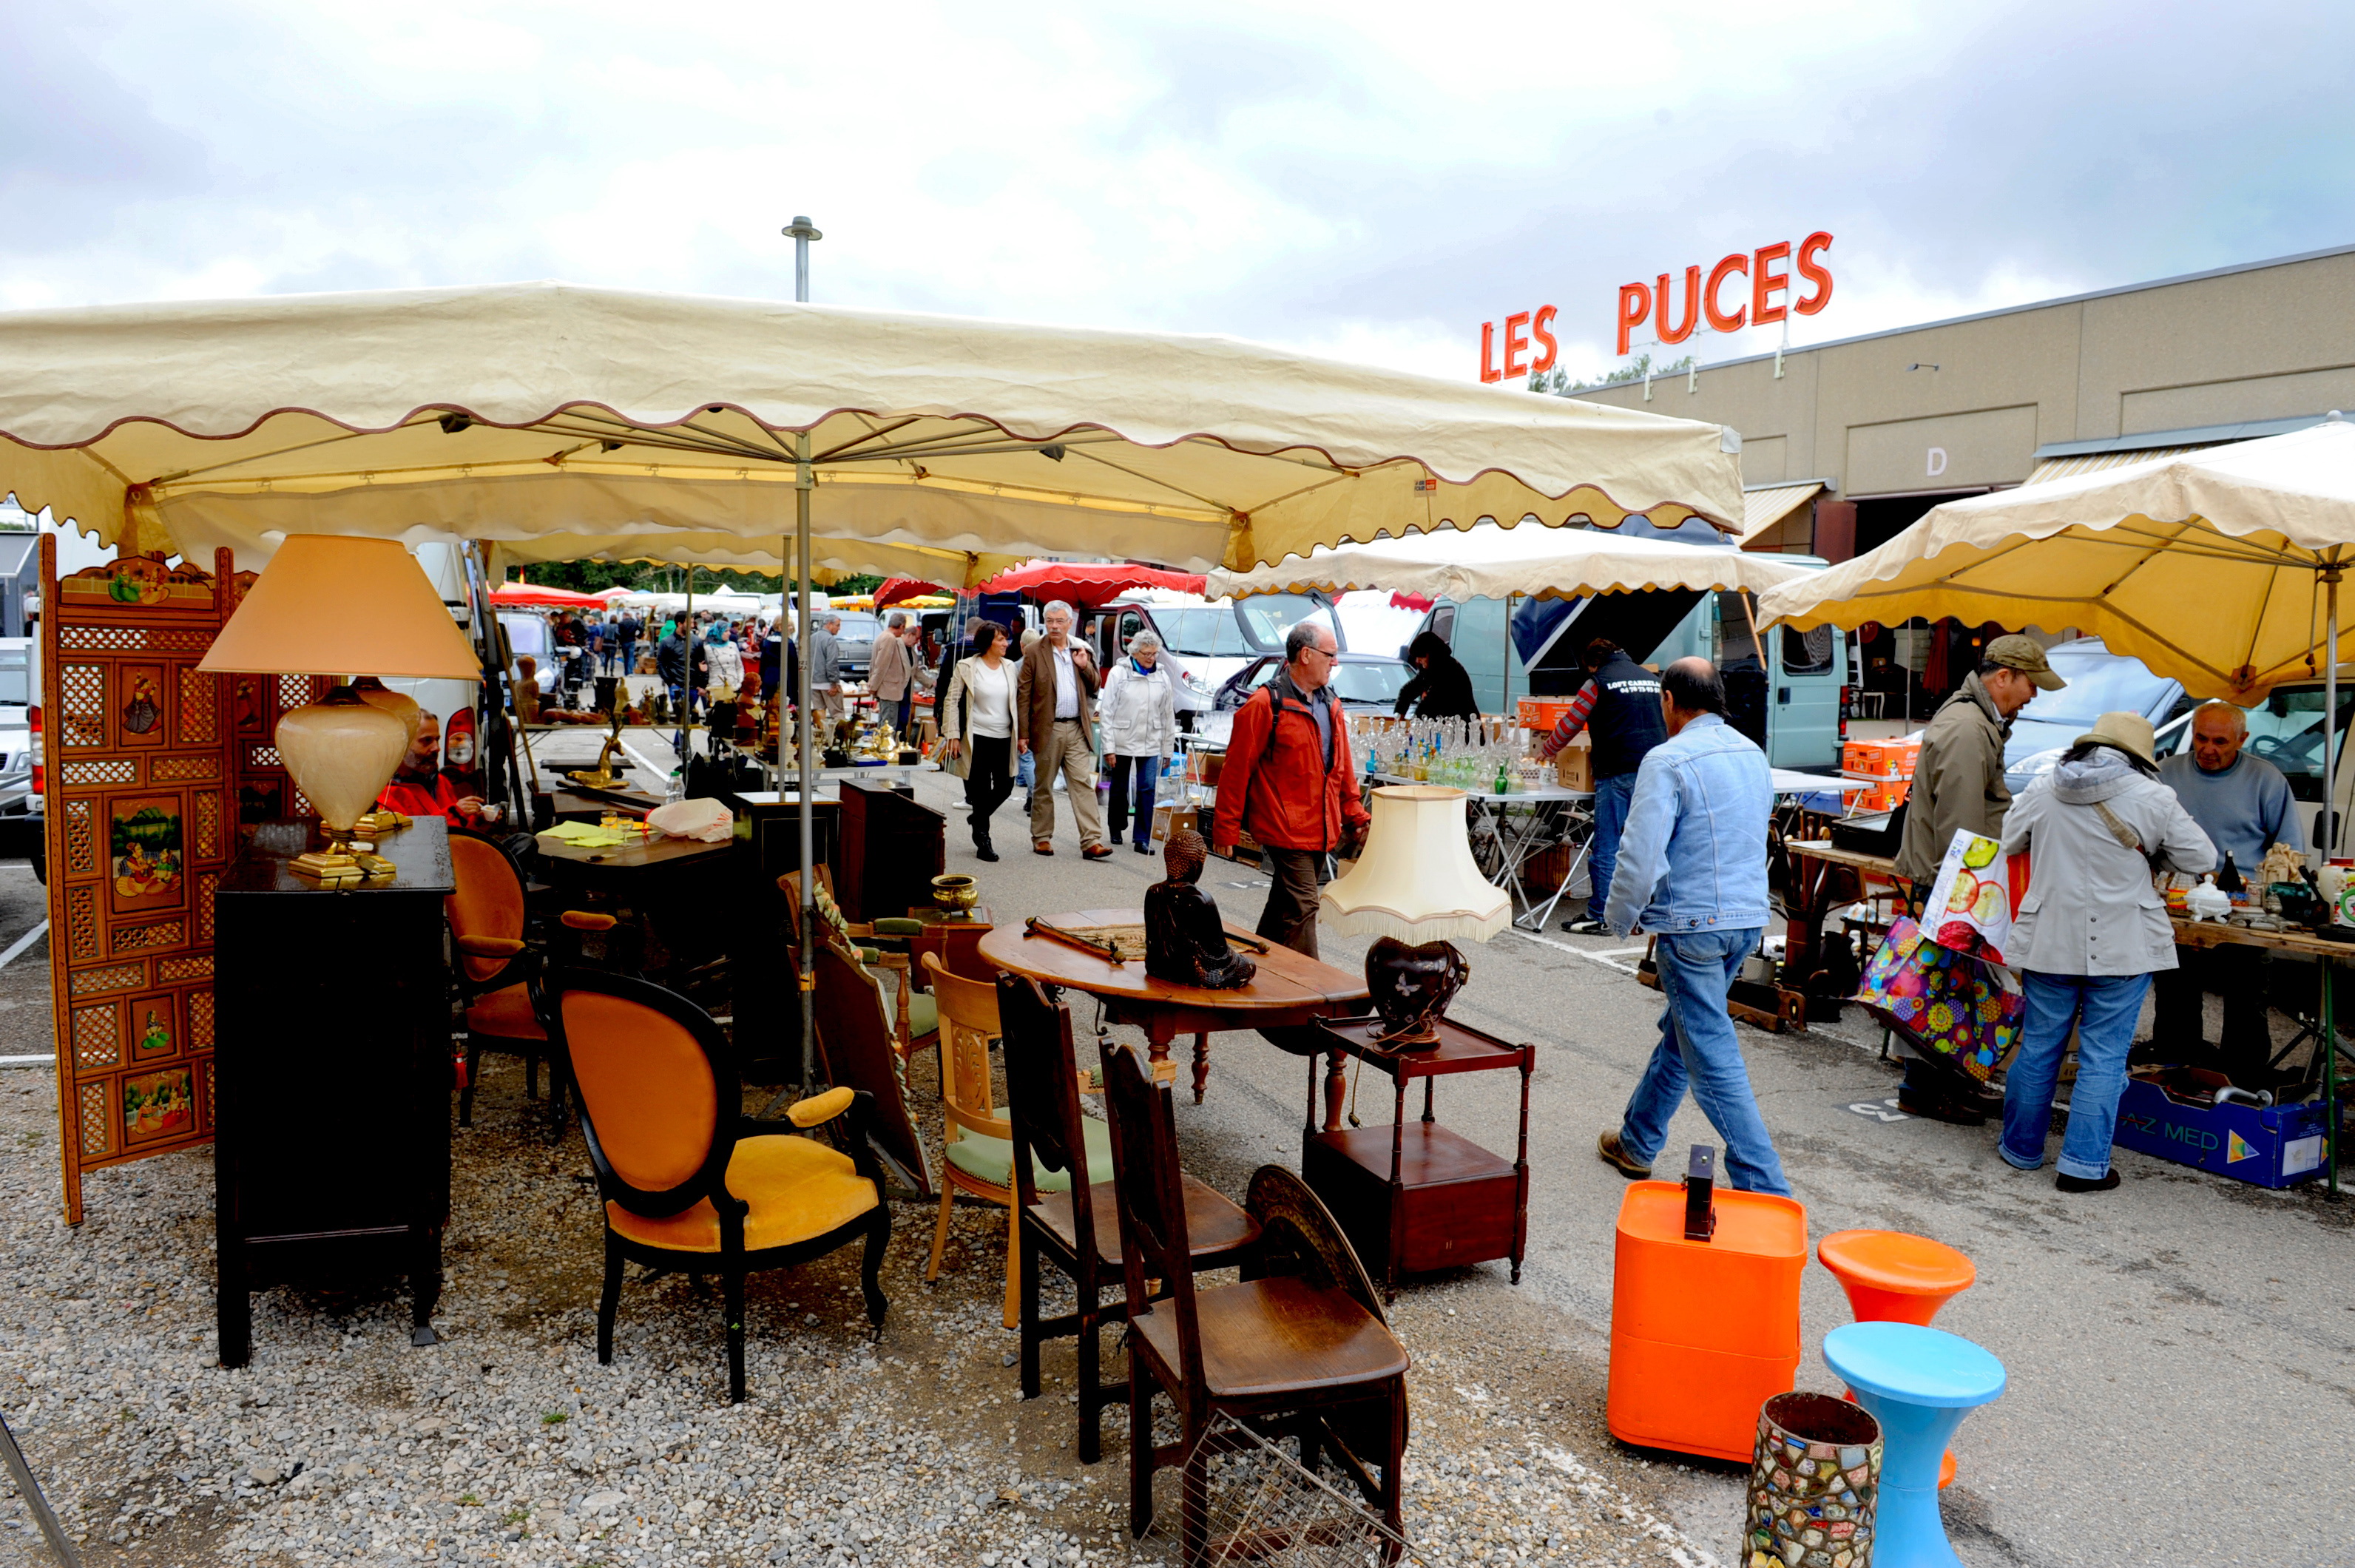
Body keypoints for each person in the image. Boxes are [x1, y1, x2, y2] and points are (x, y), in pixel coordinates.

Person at [1595, 658, 1790, 1195]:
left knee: (1710, 1052)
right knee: (1686, 1034)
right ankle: (1637, 1140)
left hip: (1694, 925)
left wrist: (1621, 915)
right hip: (1746, 919)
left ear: (1670, 702)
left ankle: (1765, 1187)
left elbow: (1639, 851)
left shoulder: (1667, 758)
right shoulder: (1751, 752)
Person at [2000, 713, 2216, 1193]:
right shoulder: (2154, 796)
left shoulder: (2042, 786)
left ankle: (2021, 1149)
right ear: (2138, 758)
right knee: (2103, 1057)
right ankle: (2081, 1166)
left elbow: (2009, 840)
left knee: (2039, 1048)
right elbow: (2202, 859)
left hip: (2049, 938)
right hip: (2124, 944)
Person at [1890, 633, 2063, 1124]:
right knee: (1943, 987)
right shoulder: (1969, 728)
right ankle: (1926, 1088)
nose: (2033, 698)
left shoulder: (1976, 720)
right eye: (2031, 686)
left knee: (1954, 986)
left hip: (1957, 879)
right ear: (2003, 677)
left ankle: (1945, 1083)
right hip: (1957, 881)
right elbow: (1962, 828)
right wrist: (1964, 899)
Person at [2149, 700, 2303, 1083]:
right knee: (2175, 994)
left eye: (2221, 741)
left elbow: (2288, 851)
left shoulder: (2266, 779)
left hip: (2244, 910)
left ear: (2242, 740)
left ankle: (2244, 1080)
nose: (2208, 749)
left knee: (2246, 998)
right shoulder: (2166, 774)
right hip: (2178, 905)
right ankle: (2174, 1072)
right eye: (2201, 738)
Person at [1212, 621, 1371, 957]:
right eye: (1330, 655)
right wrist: (1225, 828)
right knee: (1303, 907)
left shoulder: (1330, 703)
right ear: (1306, 655)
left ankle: (1249, 967)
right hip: (1284, 826)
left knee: (1284, 908)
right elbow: (1236, 769)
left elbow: (1341, 769)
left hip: (1320, 826)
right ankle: (1313, 993)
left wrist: (1356, 815)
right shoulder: (1264, 703)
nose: (1335, 663)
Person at [1538, 638, 1668, 936]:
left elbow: (1571, 723)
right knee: (1649, 844)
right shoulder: (1652, 680)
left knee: (1608, 845)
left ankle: (1600, 916)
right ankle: (1650, 912)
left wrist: (1546, 751)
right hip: (1655, 769)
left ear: (1593, 663)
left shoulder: (1598, 682)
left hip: (1617, 768)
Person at [1018, 599, 1111, 859]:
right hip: (1048, 729)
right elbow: (1023, 695)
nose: (1054, 626)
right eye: (1050, 621)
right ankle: (1042, 837)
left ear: (1070, 623)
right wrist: (1023, 733)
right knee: (1044, 785)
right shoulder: (1035, 651)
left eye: (1060, 621)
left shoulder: (1081, 648)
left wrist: (1084, 666)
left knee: (1081, 783)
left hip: (1077, 727)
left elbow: (1095, 686)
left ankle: (1092, 841)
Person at [940, 621, 1020, 860]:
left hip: (1005, 737)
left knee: (1006, 786)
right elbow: (951, 701)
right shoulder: (967, 666)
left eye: (1006, 639)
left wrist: (1023, 735)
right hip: (977, 739)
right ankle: (983, 840)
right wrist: (952, 734)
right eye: (1001, 639)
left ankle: (977, 816)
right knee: (981, 790)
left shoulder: (1010, 667)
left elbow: (1018, 703)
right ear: (988, 643)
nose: (1006, 644)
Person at [1100, 629, 1178, 854]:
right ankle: (1116, 827)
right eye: (1146, 653)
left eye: (1154, 653)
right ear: (1135, 652)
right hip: (1122, 738)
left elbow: (1167, 716)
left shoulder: (1162, 677)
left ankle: (1142, 838)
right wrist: (1109, 748)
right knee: (1119, 787)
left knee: (1147, 789)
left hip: (1150, 740)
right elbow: (1107, 712)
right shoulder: (1118, 673)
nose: (1151, 657)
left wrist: (1167, 750)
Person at [378, 711, 486, 826]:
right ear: (401, 744)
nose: (437, 748)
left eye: (437, 740)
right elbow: (407, 838)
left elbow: (459, 833)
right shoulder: (383, 792)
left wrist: (479, 823)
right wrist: (454, 814)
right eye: (427, 740)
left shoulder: (440, 782)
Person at [1394, 629, 1479, 722]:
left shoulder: (1450, 670)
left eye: (1421, 657)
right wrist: (1399, 715)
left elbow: (1430, 704)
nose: (1418, 661)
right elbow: (1408, 691)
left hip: (1460, 727)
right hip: (1442, 725)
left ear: (1431, 654)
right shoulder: (1428, 670)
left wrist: (1415, 728)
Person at [869, 611, 919, 737]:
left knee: (884, 724)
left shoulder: (883, 636)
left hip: (886, 689)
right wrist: (873, 686)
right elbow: (881, 665)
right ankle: (886, 753)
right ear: (901, 626)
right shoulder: (890, 638)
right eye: (903, 629)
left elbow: (875, 664)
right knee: (888, 726)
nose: (903, 633)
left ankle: (881, 749)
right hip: (890, 690)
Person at [810, 613, 846, 728]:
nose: (839, 629)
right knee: (837, 712)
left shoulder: (812, 637)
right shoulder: (830, 640)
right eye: (838, 625)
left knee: (819, 713)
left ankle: (820, 738)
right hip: (827, 682)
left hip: (813, 682)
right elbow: (832, 663)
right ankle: (840, 738)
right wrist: (834, 683)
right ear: (830, 624)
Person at [617, 609, 641, 677]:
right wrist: (638, 636)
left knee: (625, 657)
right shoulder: (634, 623)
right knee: (631, 656)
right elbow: (641, 629)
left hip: (624, 642)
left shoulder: (621, 623)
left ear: (625, 615)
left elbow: (618, 633)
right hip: (632, 640)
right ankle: (630, 671)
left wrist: (620, 640)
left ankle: (626, 672)